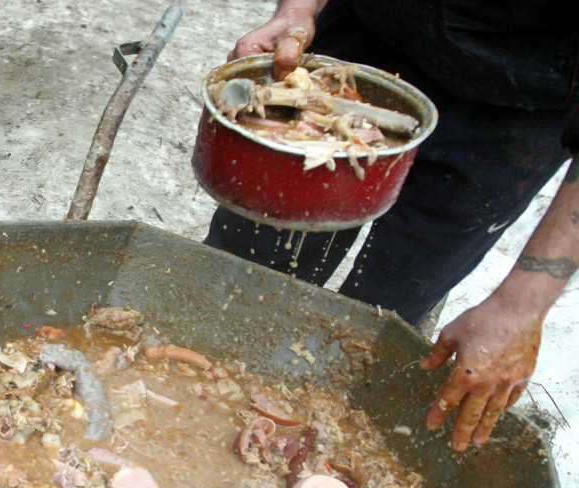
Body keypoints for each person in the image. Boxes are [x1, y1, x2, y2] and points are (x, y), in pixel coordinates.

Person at [204, 0, 579, 452]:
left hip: (516, 110)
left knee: (384, 318)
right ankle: (205, 395)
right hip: (359, 48)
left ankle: (315, 440)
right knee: (243, 271)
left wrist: (522, 307)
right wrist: (298, 9)